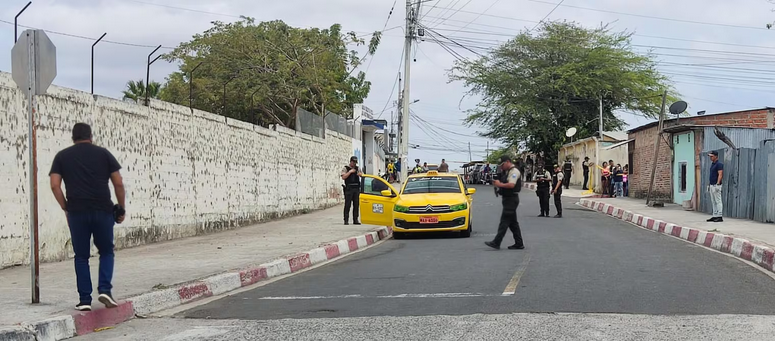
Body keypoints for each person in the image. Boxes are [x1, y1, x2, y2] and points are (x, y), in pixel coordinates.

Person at [49, 123, 125, 312]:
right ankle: (105, 289)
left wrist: (66, 207)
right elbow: (118, 183)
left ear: (73, 138)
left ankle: (84, 300)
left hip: (77, 212)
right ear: (90, 136)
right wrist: (121, 207)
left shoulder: (62, 156)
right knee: (106, 251)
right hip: (102, 210)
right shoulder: (103, 154)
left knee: (81, 256)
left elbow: (54, 185)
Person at [485, 155, 525, 250]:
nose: (501, 167)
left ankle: (496, 242)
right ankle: (519, 243)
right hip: (508, 199)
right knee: (513, 223)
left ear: (508, 162)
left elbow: (511, 185)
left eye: (502, 164)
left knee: (504, 221)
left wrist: (500, 184)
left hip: (511, 199)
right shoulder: (507, 172)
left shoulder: (514, 171)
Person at [341, 156, 363, 225]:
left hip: (356, 189)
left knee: (356, 205)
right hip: (349, 189)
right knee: (347, 205)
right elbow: (343, 177)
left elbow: (363, 175)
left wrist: (360, 174)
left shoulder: (357, 168)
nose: (354, 164)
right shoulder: (346, 168)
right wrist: (350, 172)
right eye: (353, 162)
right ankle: (346, 220)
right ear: (351, 162)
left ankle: (355, 219)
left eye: (355, 163)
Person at [707, 151, 724, 222]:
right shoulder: (712, 164)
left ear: (716, 156)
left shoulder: (719, 164)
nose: (710, 158)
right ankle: (715, 215)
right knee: (713, 201)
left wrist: (718, 184)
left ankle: (719, 216)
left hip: (716, 185)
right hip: (711, 184)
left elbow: (720, 174)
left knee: (718, 200)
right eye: (710, 156)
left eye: (712, 156)